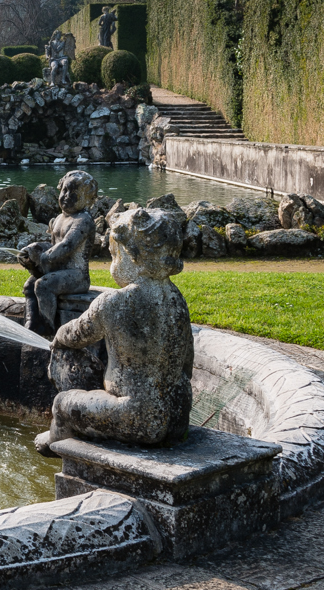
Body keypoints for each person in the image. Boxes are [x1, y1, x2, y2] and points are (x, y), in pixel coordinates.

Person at [37, 206, 193, 453]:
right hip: (177, 413)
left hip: (135, 416)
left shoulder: (114, 303)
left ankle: (58, 448)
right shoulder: (177, 299)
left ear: (129, 256)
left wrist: (57, 337)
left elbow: (75, 334)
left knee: (62, 404)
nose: (112, 264)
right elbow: (187, 363)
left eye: (113, 255)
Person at [17, 169, 97, 337]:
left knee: (43, 285)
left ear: (87, 198)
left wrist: (44, 257)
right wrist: (33, 251)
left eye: (73, 192)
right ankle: (32, 321)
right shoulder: (59, 219)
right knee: (30, 285)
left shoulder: (83, 221)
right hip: (58, 270)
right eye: (64, 190)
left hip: (76, 276)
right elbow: (52, 244)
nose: (67, 195)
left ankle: (47, 326)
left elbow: (67, 246)